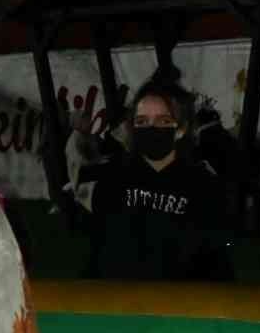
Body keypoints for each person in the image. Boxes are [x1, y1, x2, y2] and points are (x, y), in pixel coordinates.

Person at [86, 78, 233, 281]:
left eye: (163, 121)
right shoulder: (111, 181)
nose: (151, 128)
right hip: (121, 304)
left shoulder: (205, 188)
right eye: (142, 121)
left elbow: (217, 265)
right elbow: (98, 255)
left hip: (182, 305)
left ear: (181, 129)